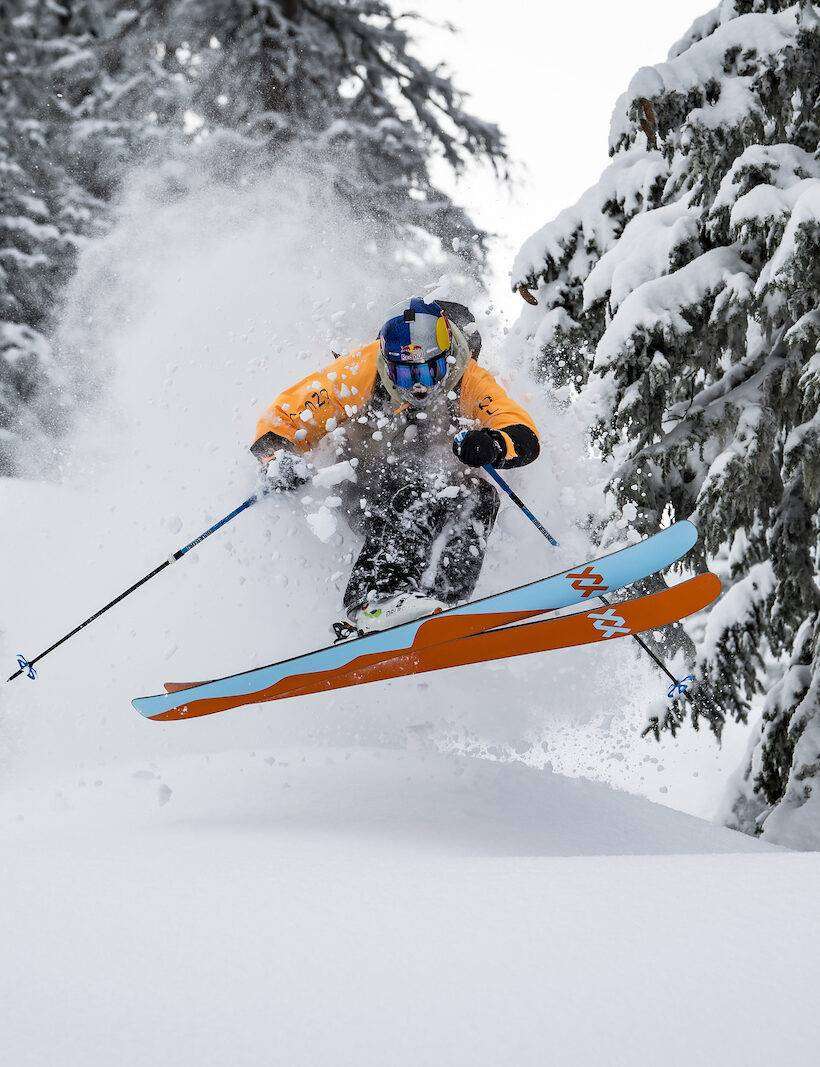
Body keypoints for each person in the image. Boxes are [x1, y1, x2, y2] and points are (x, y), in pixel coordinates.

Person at [251, 297, 540, 634]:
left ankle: (442, 605)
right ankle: (374, 600)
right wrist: (277, 459)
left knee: (480, 496)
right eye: (405, 373)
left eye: (430, 371)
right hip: (362, 485)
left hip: (429, 490)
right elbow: (287, 416)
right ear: (387, 364)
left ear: (448, 359)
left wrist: (493, 444)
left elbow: (521, 432)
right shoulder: (361, 369)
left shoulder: (469, 378)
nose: (418, 386)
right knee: (419, 491)